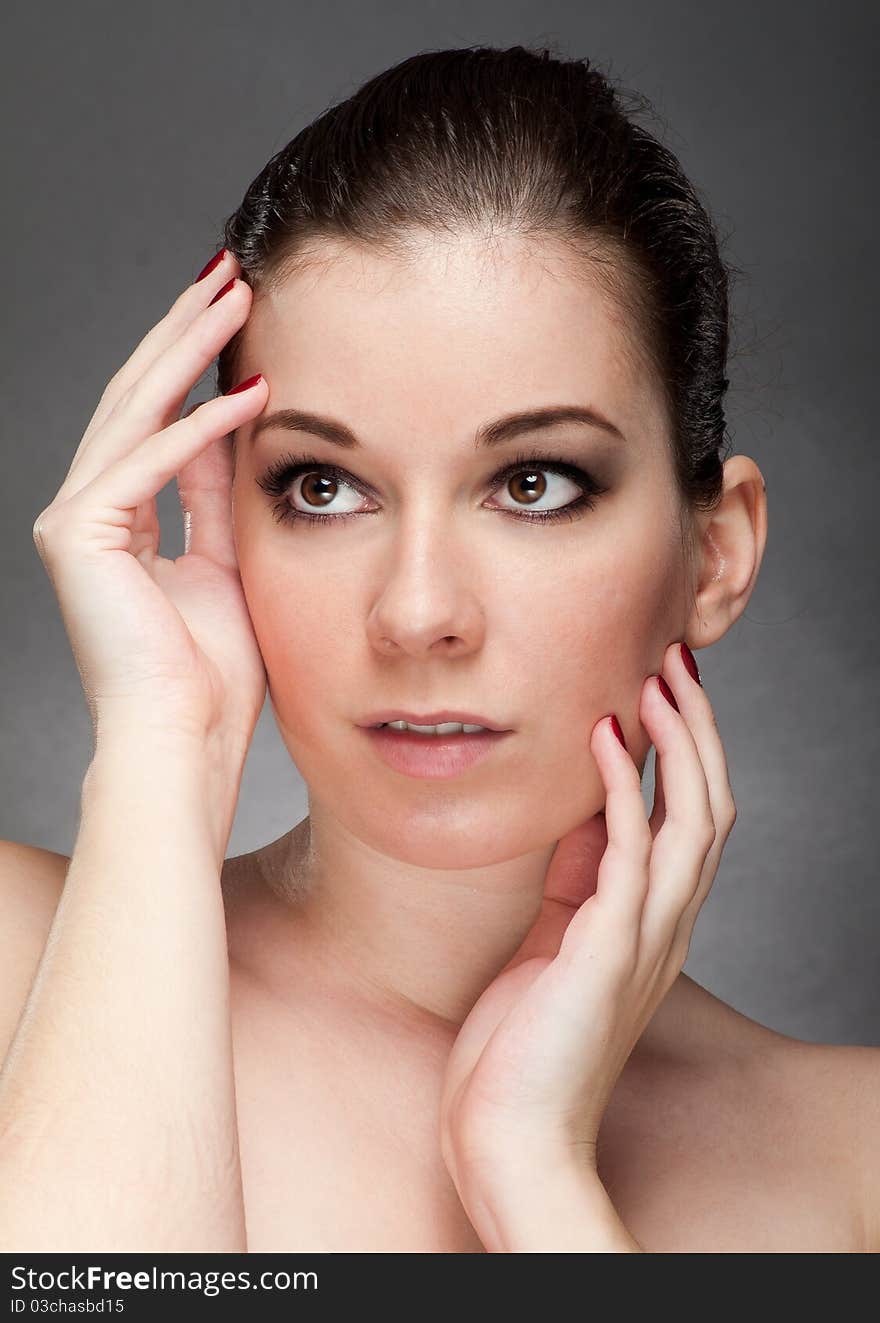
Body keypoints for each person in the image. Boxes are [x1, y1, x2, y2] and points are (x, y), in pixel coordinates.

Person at [0, 43, 876, 1255]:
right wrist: (162, 746)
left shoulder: (850, 1158)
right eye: (321, 486)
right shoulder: (18, 964)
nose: (417, 613)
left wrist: (534, 1174)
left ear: (714, 555)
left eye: (531, 483)